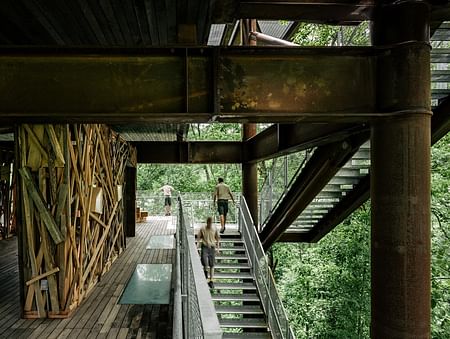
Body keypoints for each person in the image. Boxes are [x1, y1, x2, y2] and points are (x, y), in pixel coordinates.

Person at [197, 216, 220, 288]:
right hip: (205, 247)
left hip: (212, 247)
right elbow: (198, 238)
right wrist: (197, 246)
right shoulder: (203, 228)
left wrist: (218, 248)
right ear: (207, 222)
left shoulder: (214, 228)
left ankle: (211, 281)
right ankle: (205, 273)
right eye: (208, 223)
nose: (209, 224)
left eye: (211, 223)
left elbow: (218, 239)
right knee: (205, 262)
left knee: (212, 265)